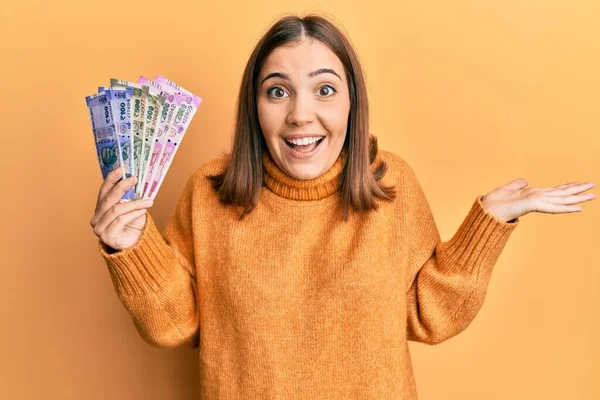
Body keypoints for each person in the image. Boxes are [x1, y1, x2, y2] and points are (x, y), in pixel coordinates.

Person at [89, 13, 596, 399]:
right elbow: (173, 324)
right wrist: (131, 247)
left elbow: (429, 316)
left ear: (352, 103)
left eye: (324, 90)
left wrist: (488, 221)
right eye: (278, 92)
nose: (300, 115)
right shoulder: (209, 191)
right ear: (254, 108)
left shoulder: (390, 184)